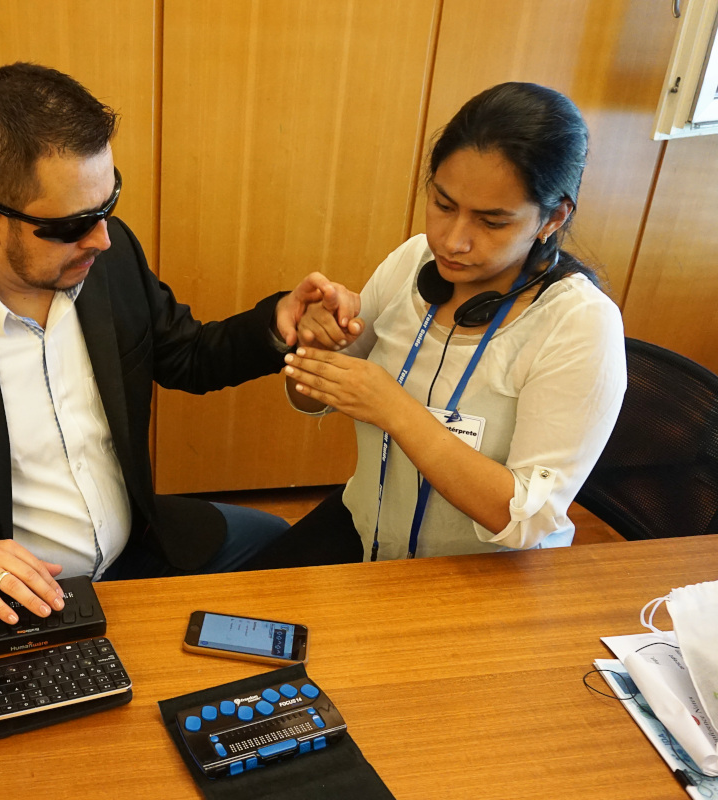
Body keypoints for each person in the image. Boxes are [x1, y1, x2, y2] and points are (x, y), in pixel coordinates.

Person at [0, 62, 358, 624]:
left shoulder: (104, 262)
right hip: (11, 601)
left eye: (109, 203)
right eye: (72, 225)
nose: (103, 237)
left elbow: (188, 355)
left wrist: (277, 321)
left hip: (134, 547)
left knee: (279, 542)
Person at [263, 82, 626, 564]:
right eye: (443, 204)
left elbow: (526, 519)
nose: (453, 241)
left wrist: (396, 409)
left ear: (552, 218)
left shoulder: (580, 324)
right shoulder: (415, 261)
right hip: (365, 530)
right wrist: (317, 347)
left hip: (485, 573)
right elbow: (308, 397)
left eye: (492, 222)